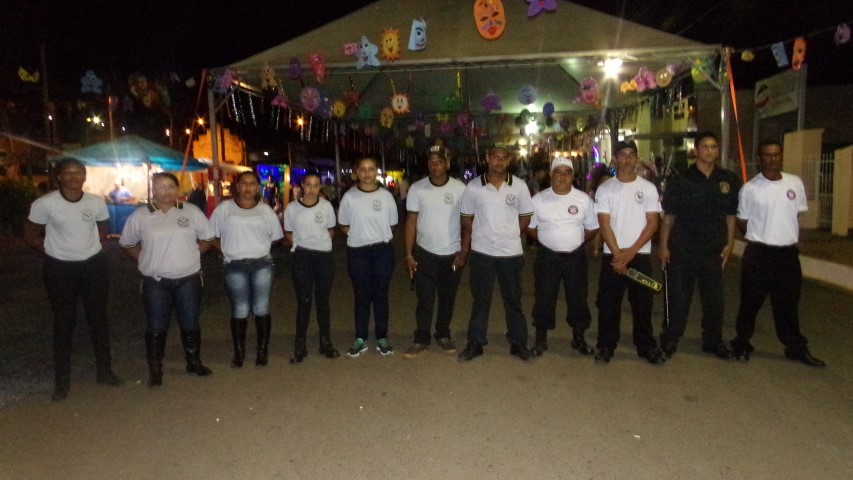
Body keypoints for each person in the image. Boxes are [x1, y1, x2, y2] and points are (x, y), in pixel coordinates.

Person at [23, 158, 123, 401]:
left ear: (84, 176)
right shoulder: (46, 203)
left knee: (98, 319)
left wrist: (88, 248)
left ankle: (105, 372)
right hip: (59, 269)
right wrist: (52, 251)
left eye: (78, 173)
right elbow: (30, 234)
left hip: (93, 266)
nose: (74, 177)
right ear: (59, 177)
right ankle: (62, 382)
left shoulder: (95, 202)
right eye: (68, 173)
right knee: (63, 322)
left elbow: (102, 229)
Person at [729, 140, 826, 367]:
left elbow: (796, 214)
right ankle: (741, 343)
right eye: (767, 155)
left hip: (787, 256)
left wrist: (785, 235)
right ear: (759, 159)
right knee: (750, 303)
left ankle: (796, 347)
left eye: (776, 155)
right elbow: (742, 221)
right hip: (759, 255)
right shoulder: (750, 189)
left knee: (788, 304)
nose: (773, 159)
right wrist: (760, 234)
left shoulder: (795, 183)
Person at [119, 172, 215, 387]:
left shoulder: (191, 211)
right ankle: (155, 369)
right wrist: (144, 258)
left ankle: (193, 362)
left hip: (188, 278)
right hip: (155, 281)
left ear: (178, 189)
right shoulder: (141, 215)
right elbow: (127, 243)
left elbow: (207, 237)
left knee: (190, 322)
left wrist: (193, 254)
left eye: (171, 186)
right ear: (153, 190)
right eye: (161, 186)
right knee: (156, 325)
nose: (166, 191)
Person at [658, 131, 741, 360]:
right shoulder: (681, 180)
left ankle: (713, 340)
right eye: (705, 146)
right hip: (683, 247)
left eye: (713, 146)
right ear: (696, 150)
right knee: (678, 297)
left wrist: (730, 243)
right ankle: (670, 337)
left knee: (715, 298)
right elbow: (669, 217)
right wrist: (664, 246)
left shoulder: (727, 180)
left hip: (713, 249)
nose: (709, 151)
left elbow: (730, 215)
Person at [458, 145, 535, 361]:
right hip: (482, 252)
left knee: (513, 299)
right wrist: (482, 233)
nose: (499, 161)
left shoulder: (519, 186)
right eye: (495, 157)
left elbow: (526, 216)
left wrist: (511, 233)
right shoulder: (474, 186)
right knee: (481, 299)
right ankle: (476, 342)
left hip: (511, 253)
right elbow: (466, 217)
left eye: (503, 157)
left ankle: (518, 343)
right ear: (487, 158)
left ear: (509, 160)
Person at [593, 140, 665, 364]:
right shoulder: (606, 189)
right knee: (608, 304)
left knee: (643, 303)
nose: (627, 158)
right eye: (622, 154)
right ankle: (606, 345)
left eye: (631, 154)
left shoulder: (648, 188)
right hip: (613, 258)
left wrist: (631, 253)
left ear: (636, 158)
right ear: (615, 159)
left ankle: (646, 346)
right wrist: (618, 255)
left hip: (639, 257)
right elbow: (604, 224)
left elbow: (652, 223)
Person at [210, 171, 284, 368]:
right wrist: (224, 250)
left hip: (261, 264)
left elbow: (276, 237)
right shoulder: (225, 209)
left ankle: (262, 351)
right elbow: (211, 235)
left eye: (252, 184)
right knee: (240, 308)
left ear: (258, 187)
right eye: (244, 183)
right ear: (237, 186)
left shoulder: (265, 210)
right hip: (235, 265)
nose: (248, 187)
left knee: (261, 307)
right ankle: (239, 353)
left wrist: (257, 246)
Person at [527, 156, 599, 357]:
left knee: (578, 297)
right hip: (548, 257)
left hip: (575, 257)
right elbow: (529, 226)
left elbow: (593, 227)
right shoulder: (538, 199)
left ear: (572, 176)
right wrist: (543, 240)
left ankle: (579, 337)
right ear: (551, 175)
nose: (562, 177)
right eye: (558, 172)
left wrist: (578, 240)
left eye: (567, 173)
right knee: (544, 296)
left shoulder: (583, 199)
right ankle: (541, 339)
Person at [402, 145, 467, 358]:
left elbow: (468, 223)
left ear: (447, 163)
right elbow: (411, 222)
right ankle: (421, 338)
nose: (435, 166)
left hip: (452, 255)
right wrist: (409, 254)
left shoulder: (460, 188)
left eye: (439, 161)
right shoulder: (417, 188)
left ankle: (443, 335)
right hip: (425, 254)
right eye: (431, 162)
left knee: (448, 298)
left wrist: (463, 253)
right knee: (425, 299)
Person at [337, 157, 398, 357]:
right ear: (357, 172)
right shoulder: (349, 197)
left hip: (382, 251)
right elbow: (343, 224)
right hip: (358, 252)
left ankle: (382, 337)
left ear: (376, 171)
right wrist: (360, 235)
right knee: (361, 295)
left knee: (381, 295)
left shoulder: (386, 196)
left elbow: (392, 224)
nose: (366, 173)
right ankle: (360, 338)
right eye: (362, 169)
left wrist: (375, 236)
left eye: (371, 169)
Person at [283, 170, 340, 363]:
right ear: (302, 186)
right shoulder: (292, 208)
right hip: (302, 256)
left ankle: (326, 342)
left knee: (323, 300)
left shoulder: (326, 206)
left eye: (316, 185)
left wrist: (319, 243)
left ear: (320, 187)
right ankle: (300, 345)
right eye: (308, 185)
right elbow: (288, 232)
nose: (311, 189)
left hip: (324, 256)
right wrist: (302, 245)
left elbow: (331, 230)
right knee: (304, 301)